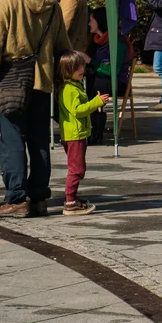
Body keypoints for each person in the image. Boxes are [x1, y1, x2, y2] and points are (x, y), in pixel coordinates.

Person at [0, 0, 72, 218]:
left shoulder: (6, 0)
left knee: (12, 141)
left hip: (11, 80)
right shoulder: (51, 3)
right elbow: (63, 47)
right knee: (39, 140)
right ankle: (39, 198)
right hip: (41, 81)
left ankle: (16, 199)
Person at [57, 51, 110, 216]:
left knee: (78, 168)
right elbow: (78, 111)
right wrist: (96, 102)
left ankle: (72, 198)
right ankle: (70, 202)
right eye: (77, 67)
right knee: (76, 169)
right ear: (67, 70)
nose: (82, 69)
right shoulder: (69, 89)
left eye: (82, 66)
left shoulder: (74, 86)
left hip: (77, 134)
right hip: (74, 135)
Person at [87, 7, 134, 144]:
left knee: (90, 87)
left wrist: (90, 61)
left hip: (116, 82)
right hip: (98, 78)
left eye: (91, 20)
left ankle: (95, 130)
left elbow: (112, 71)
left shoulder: (118, 43)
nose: (89, 23)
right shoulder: (94, 41)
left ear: (100, 22)